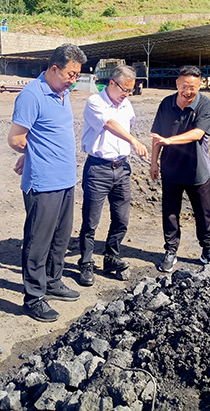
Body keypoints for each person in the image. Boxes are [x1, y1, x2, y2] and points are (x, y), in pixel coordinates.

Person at [7, 44, 87, 323]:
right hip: (43, 181)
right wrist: (32, 155)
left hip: (66, 178)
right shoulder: (32, 95)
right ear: (54, 68)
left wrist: (33, 151)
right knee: (38, 241)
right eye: (70, 74)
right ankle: (33, 297)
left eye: (77, 75)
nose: (73, 80)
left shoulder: (63, 92)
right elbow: (16, 138)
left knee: (61, 237)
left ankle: (53, 281)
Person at [78, 65, 148, 286]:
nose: (126, 94)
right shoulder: (95, 102)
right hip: (98, 169)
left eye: (130, 90)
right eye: (124, 89)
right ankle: (86, 263)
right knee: (91, 220)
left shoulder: (126, 104)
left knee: (121, 218)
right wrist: (133, 141)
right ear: (111, 83)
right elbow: (109, 124)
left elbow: (128, 124)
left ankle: (111, 257)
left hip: (122, 168)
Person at [150, 65, 210, 273]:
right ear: (177, 84)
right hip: (170, 169)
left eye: (192, 87)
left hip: (197, 170)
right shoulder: (166, 103)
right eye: (184, 86)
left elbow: (197, 133)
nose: (188, 91)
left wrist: (170, 141)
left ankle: (208, 249)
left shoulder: (205, 105)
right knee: (170, 213)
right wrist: (154, 162)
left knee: (203, 213)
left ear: (200, 85)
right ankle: (171, 250)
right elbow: (157, 135)